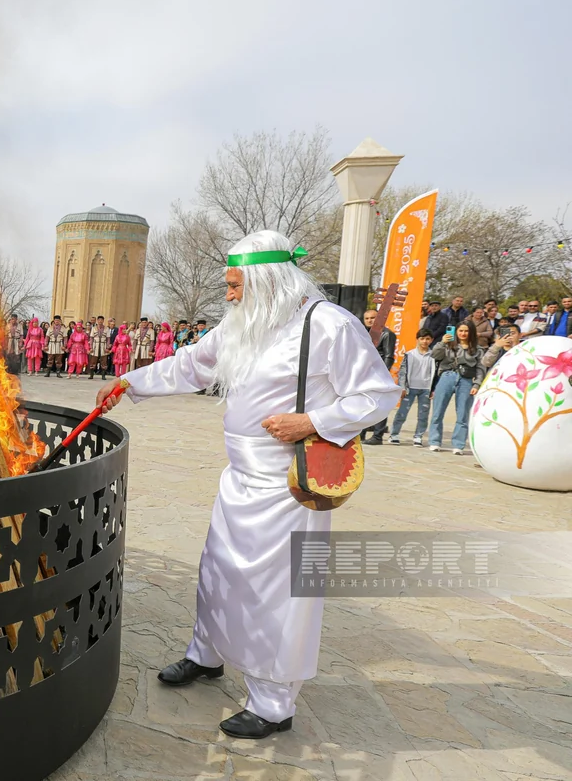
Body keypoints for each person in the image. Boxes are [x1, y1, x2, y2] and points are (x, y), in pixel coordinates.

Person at [97, 230, 398, 739]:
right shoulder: (243, 324)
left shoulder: (328, 326)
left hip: (287, 486)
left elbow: (377, 394)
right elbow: (192, 364)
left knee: (273, 591)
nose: (229, 296)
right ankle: (206, 655)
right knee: (219, 570)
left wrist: (314, 422)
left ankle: (273, 703)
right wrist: (130, 382)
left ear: (269, 281)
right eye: (228, 285)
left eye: (237, 285)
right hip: (238, 478)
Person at [427, 321, 485, 455]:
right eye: (460, 331)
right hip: (447, 376)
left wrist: (477, 384)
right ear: (456, 332)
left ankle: (458, 444)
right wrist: (442, 342)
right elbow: (434, 355)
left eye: (466, 331)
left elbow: (481, 368)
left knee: (463, 413)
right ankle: (434, 441)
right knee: (438, 411)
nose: (463, 334)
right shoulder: (447, 344)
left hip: (466, 379)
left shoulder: (478, 349)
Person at [388, 329, 435, 446]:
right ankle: (394, 434)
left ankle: (418, 436)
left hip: (426, 389)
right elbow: (402, 372)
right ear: (417, 339)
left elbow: (436, 373)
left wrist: (433, 389)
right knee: (402, 413)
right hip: (410, 388)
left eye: (427, 339)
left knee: (423, 414)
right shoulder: (410, 354)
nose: (425, 341)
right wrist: (402, 387)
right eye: (422, 338)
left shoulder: (433, 355)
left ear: (431, 340)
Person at [359, 309, 397, 445]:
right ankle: (361, 433)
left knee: (380, 404)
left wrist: (383, 374)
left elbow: (389, 356)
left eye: (373, 318)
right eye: (367, 318)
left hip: (379, 373)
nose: (370, 320)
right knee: (363, 403)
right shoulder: (363, 334)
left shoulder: (387, 334)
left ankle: (378, 435)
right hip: (365, 372)